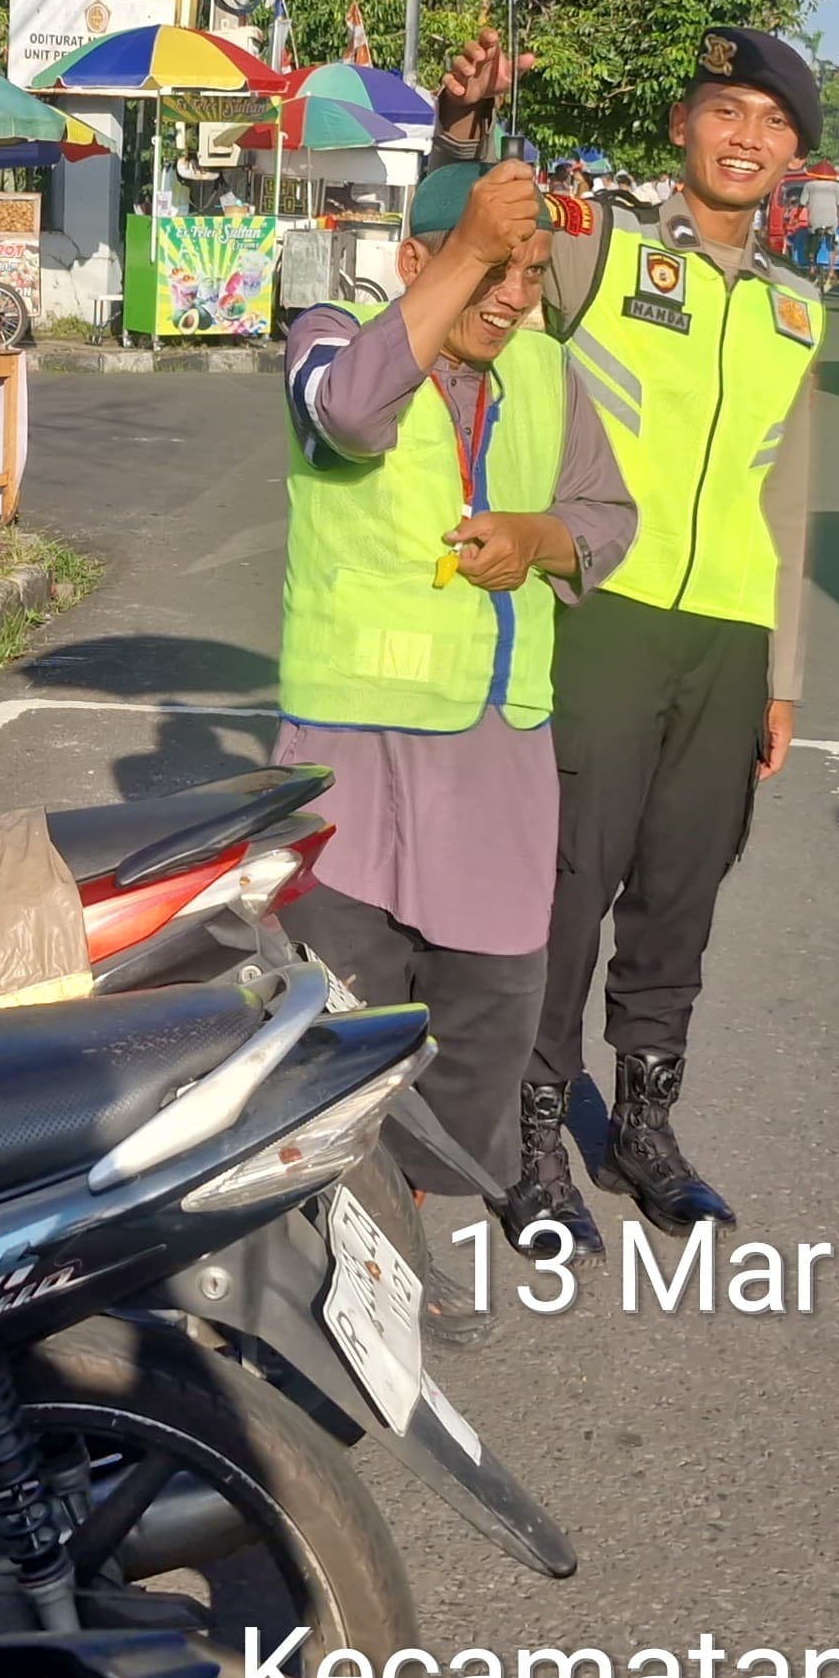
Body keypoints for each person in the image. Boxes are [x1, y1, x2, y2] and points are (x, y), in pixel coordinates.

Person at [430, 23, 823, 1241]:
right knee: (569, 884)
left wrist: (783, 674)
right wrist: (462, 132)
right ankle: (530, 1137)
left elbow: (787, 497)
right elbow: (474, 235)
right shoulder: (599, 255)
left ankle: (643, 1127)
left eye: (771, 123)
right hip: (598, 612)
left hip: (725, 635)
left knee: (680, 891)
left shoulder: (799, 309)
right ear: (682, 127)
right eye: (726, 112)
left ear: (795, 157)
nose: (745, 138)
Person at [276, 156, 636, 1265]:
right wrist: (470, 245)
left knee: (486, 1012)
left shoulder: (546, 372)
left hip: (495, 754)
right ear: (415, 264)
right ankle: (328, 1244)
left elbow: (608, 519)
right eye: (488, 267)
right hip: (352, 749)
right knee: (344, 1018)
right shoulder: (335, 339)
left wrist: (537, 539)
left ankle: (412, 1224)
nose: (512, 296)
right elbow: (345, 416)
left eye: (527, 274)